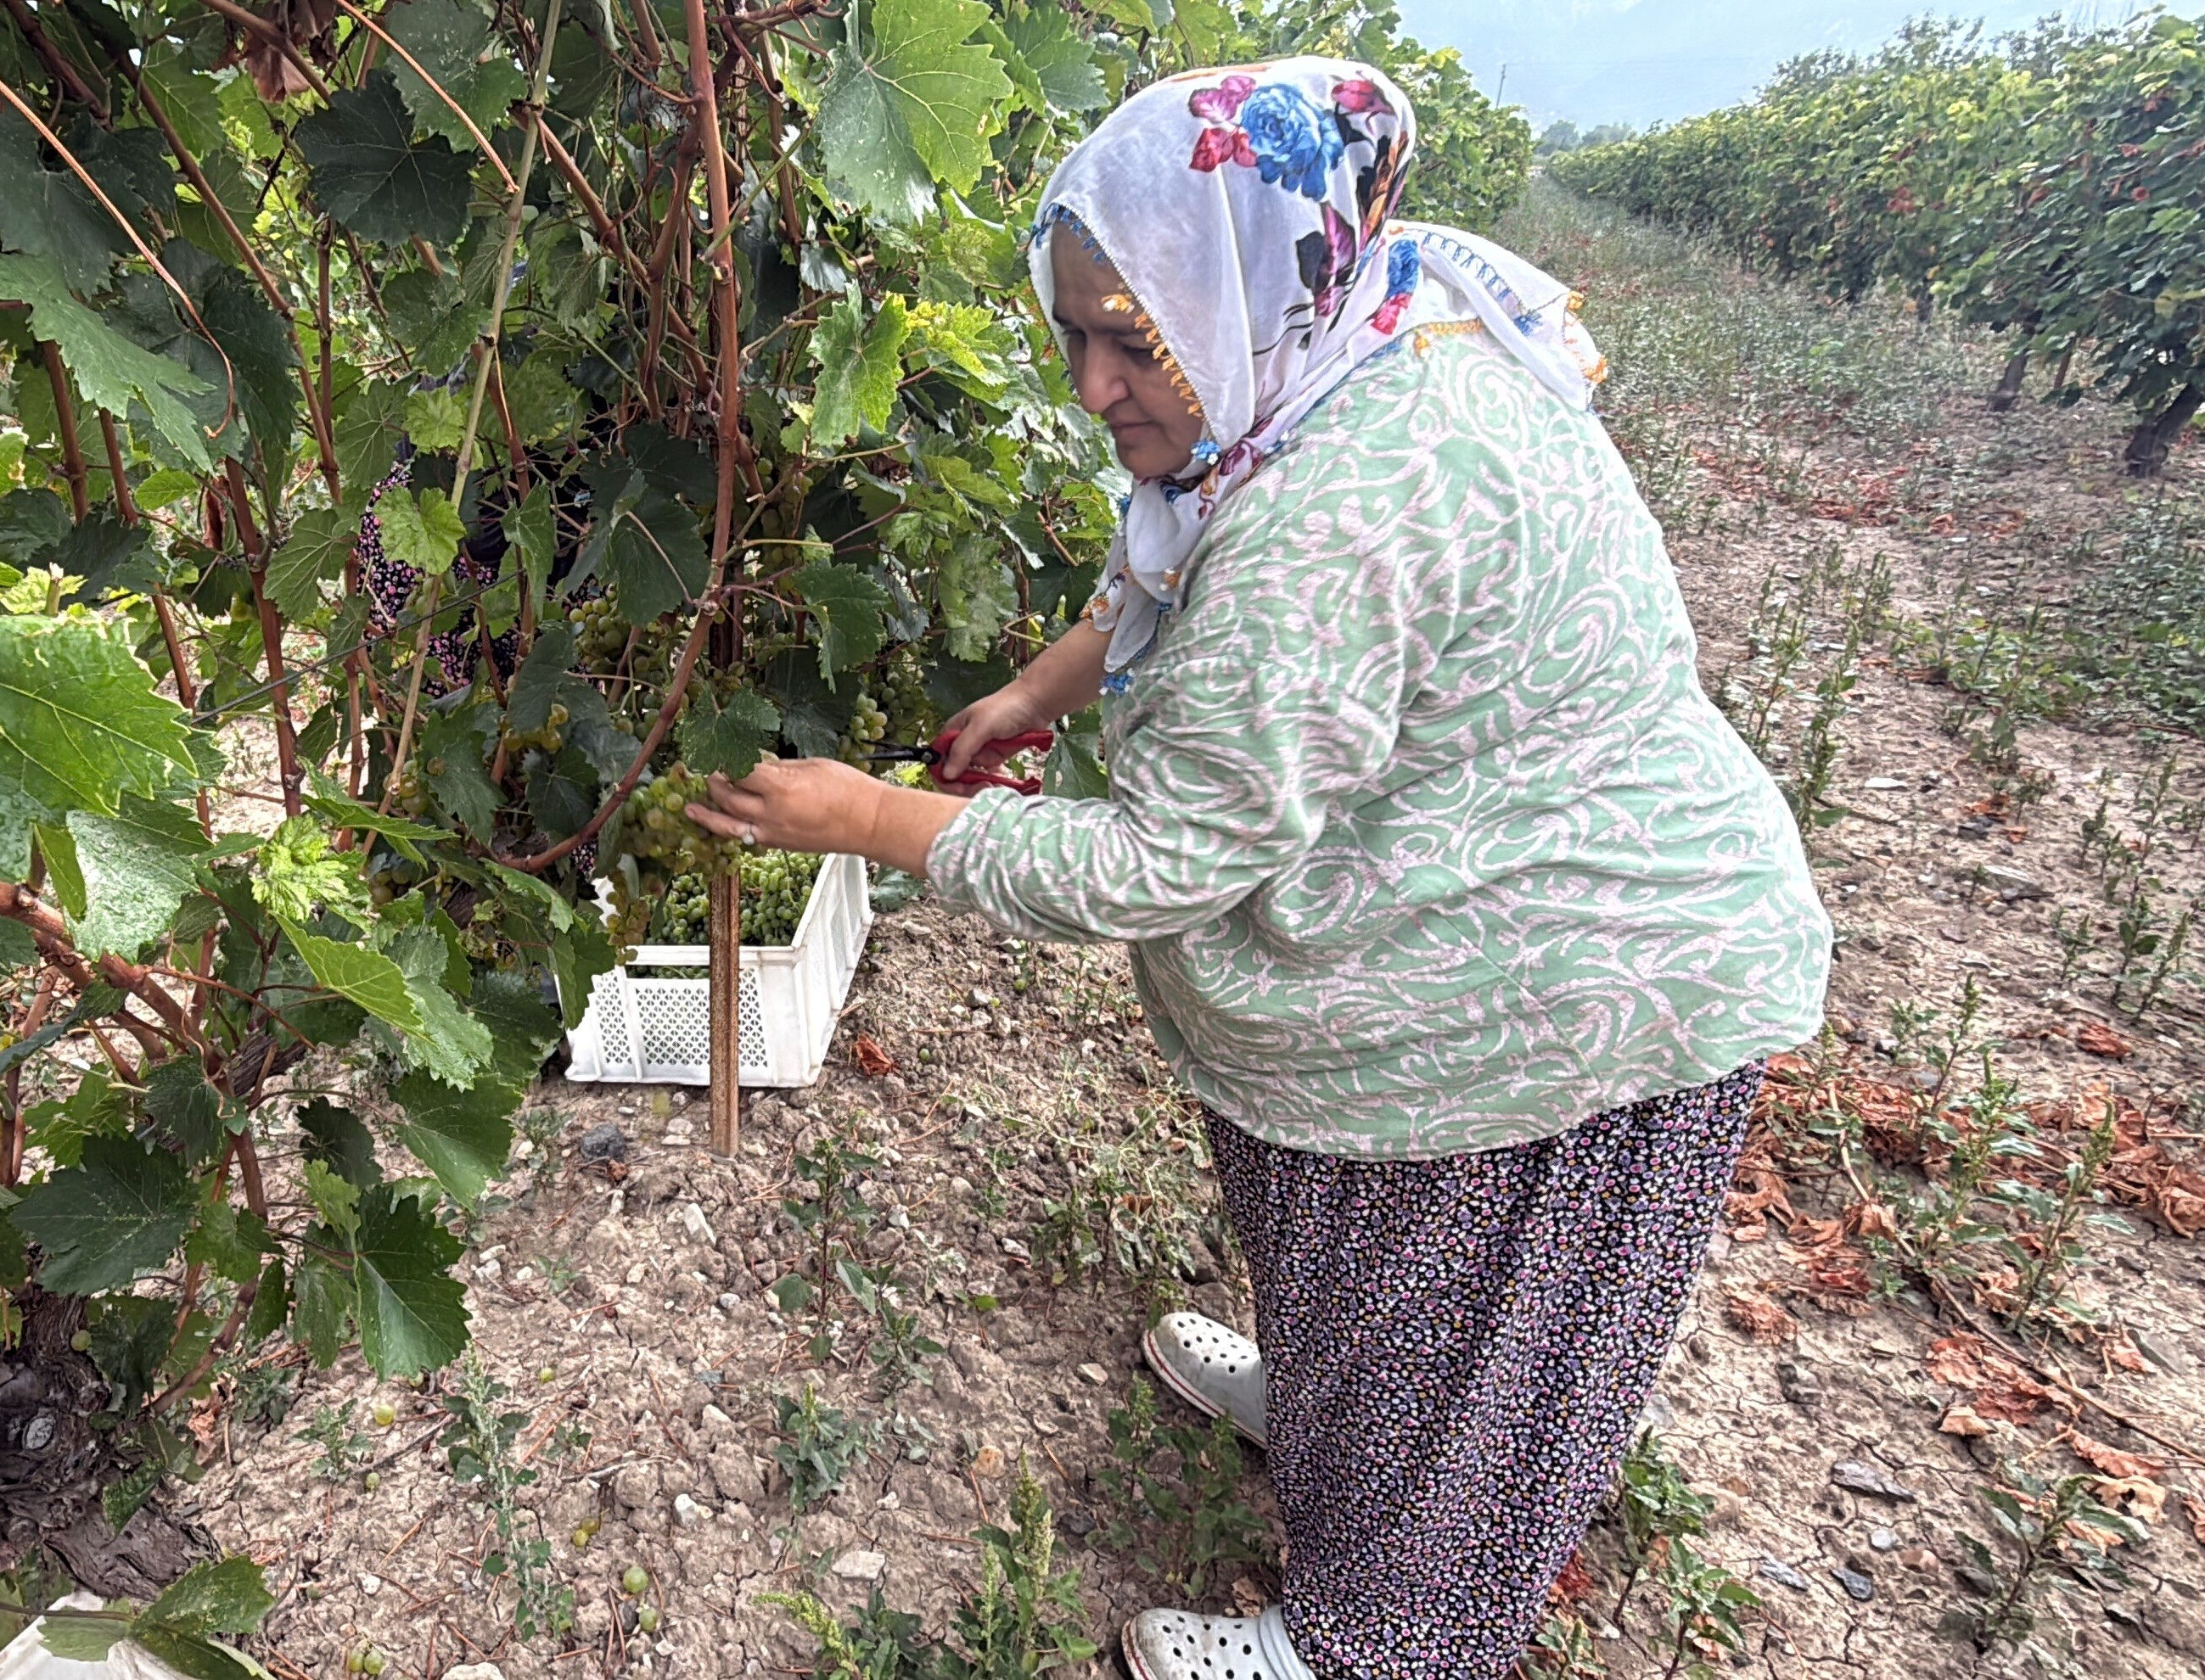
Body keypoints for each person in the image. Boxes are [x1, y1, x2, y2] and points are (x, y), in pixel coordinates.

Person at [685, 58, 1832, 1680]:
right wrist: (1036, 692)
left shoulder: (1338, 510)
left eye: (1129, 337)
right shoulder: (1361, 320)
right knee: (1379, 1296)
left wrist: (872, 819)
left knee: (1467, 1368)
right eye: (1074, 332)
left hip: (1563, 997)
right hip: (1468, 921)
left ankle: (1370, 1644)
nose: (1094, 385)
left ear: (1232, 289)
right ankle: (1330, 1408)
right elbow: (1172, 565)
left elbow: (1163, 863)